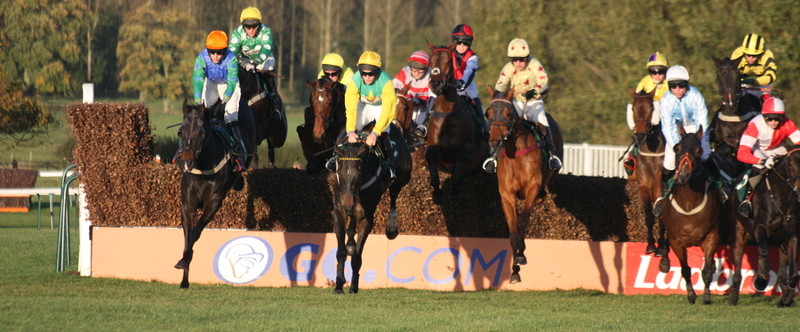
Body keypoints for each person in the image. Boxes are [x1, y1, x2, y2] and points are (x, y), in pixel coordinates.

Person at [483, 38, 560, 173]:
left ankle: (552, 156)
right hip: (516, 102)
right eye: (515, 60)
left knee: (542, 121)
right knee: (502, 123)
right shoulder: (508, 67)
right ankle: (493, 158)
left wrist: (534, 91)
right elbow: (500, 85)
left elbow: (544, 80)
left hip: (533, 102)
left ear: (527, 57)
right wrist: (501, 97)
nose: (518, 63)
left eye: (521, 60)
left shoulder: (534, 64)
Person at [652, 65, 711, 217]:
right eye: (673, 86)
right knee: (669, 163)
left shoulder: (696, 95)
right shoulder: (666, 101)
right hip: (677, 132)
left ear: (687, 85)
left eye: (682, 85)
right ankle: (663, 198)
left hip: (696, 129)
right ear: (669, 86)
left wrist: (700, 142)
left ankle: (720, 188)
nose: (678, 89)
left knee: (705, 156)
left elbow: (702, 121)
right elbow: (668, 127)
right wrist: (677, 147)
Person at [735, 97, 800, 217]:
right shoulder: (754, 125)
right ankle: (747, 200)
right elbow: (741, 153)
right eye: (769, 119)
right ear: (763, 116)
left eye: (778, 119)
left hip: (778, 149)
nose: (774, 122)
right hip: (759, 151)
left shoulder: (787, 123)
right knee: (757, 171)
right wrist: (761, 160)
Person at [192, 30, 246, 171]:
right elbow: (198, 78)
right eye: (212, 52)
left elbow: (233, 80)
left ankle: (239, 156)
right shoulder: (201, 58)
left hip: (228, 84)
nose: (216, 56)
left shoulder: (231, 58)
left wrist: (225, 100)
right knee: (203, 113)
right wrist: (198, 100)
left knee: (230, 117)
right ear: (207, 50)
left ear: (225, 51)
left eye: (220, 52)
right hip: (211, 83)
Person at [337, 51, 398, 177]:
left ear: (377, 71)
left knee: (385, 130)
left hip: (381, 107)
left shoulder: (386, 82)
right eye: (364, 73)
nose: (367, 77)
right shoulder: (355, 81)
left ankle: (389, 164)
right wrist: (350, 132)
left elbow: (388, 111)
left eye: (371, 73)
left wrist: (375, 133)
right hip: (363, 105)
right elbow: (351, 109)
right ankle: (336, 156)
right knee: (350, 128)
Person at [623, 52, 670, 175]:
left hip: (668, 117)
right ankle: (633, 156)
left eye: (661, 71)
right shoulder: (644, 82)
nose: (657, 75)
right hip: (649, 118)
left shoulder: (670, 83)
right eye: (653, 72)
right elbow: (638, 101)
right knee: (640, 130)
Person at [450, 24, 486, 135]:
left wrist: (462, 82)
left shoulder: (473, 57)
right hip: (449, 84)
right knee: (433, 101)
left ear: (469, 44)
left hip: (466, 86)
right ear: (454, 42)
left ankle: (483, 127)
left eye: (465, 43)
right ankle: (424, 125)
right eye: (458, 42)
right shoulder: (447, 53)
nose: (461, 46)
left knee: (476, 101)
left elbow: (469, 71)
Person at [392, 50, 436, 138]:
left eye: (420, 71)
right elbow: (394, 87)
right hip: (407, 109)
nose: (416, 73)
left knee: (420, 131)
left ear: (426, 68)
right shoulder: (405, 72)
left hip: (424, 110)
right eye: (414, 70)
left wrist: (419, 100)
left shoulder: (431, 76)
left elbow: (433, 98)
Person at [730, 33, 777, 101]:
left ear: (761, 53)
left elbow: (771, 77)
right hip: (742, 85)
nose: (751, 58)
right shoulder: (737, 54)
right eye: (748, 55)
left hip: (762, 86)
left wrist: (753, 81)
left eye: (755, 55)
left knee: (769, 102)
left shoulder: (768, 55)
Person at [229, 7, 275, 73]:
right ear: (242, 25)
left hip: (264, 59)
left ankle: (269, 82)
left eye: (255, 26)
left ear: (259, 24)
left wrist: (256, 62)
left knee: (266, 67)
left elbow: (267, 47)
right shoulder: (237, 33)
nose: (251, 30)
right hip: (244, 60)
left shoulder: (265, 30)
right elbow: (233, 50)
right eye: (247, 26)